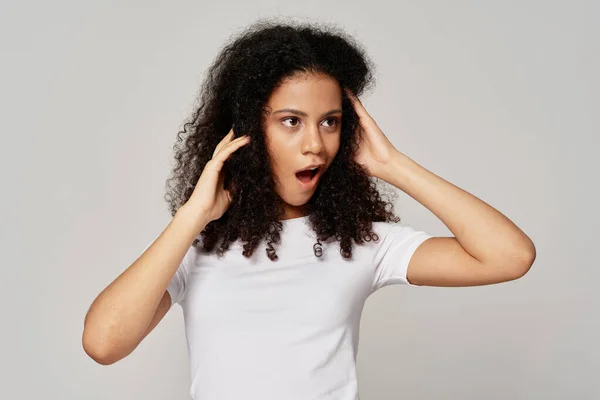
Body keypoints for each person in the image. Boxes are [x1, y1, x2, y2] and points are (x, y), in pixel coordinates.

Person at [82, 18, 536, 399]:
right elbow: (104, 343)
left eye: (330, 122)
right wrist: (192, 217)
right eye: (291, 122)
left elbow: (509, 256)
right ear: (249, 131)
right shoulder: (197, 243)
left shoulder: (362, 242)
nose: (315, 144)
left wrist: (392, 165)